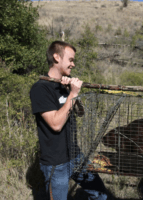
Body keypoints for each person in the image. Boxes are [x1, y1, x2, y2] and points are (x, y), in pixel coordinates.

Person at [30, 41, 107, 200]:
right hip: (56, 163)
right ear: (56, 57)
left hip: (75, 155)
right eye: (70, 60)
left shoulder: (63, 85)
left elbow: (80, 112)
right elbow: (56, 124)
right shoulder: (41, 88)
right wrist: (72, 94)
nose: (73, 64)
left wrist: (71, 92)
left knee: (100, 194)